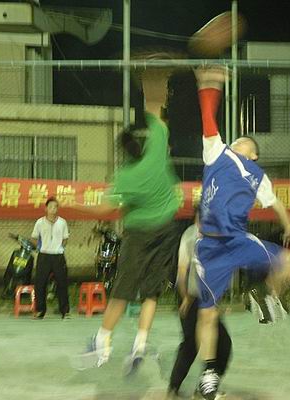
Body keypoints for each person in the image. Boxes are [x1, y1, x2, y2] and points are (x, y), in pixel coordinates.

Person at [191, 66, 290, 400]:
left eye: (244, 142)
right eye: (236, 140)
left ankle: (264, 296)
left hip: (237, 240)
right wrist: (209, 86)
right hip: (210, 246)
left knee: (287, 260)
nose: (237, 141)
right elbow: (208, 120)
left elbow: (275, 202)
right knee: (207, 313)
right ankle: (209, 375)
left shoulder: (258, 175)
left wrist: (288, 222)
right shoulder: (218, 153)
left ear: (253, 154)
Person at [73, 66, 181, 376]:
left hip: (139, 234)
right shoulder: (158, 148)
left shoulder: (126, 176)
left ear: (125, 152)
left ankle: (102, 343)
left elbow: (104, 210)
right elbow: (154, 108)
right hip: (167, 231)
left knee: (122, 291)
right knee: (151, 292)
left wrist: (74, 205)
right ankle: (140, 345)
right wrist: (152, 79)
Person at [167, 210, 231, 400]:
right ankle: (173, 388)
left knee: (223, 344)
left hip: (207, 300)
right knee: (190, 344)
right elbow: (181, 273)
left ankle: (206, 386)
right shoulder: (189, 236)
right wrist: (185, 297)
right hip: (190, 297)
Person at [30, 197, 70, 319]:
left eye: (55, 207)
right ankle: (40, 310)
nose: (53, 209)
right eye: (51, 207)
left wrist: (60, 247)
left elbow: (65, 238)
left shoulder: (62, 222)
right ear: (46, 208)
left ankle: (65, 311)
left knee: (62, 283)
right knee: (40, 283)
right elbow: (34, 237)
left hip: (58, 256)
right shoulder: (40, 222)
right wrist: (40, 247)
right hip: (44, 256)